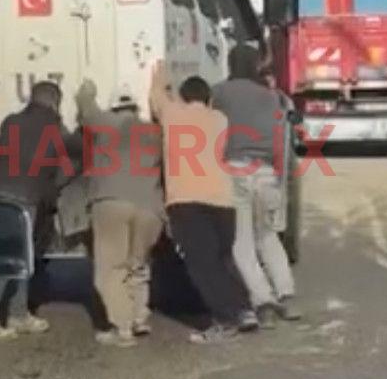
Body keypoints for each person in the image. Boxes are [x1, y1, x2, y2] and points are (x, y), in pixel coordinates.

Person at [149, 61, 256, 344]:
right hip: (223, 200)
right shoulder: (220, 119)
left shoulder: (172, 114)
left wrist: (161, 73)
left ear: (183, 98)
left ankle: (225, 321)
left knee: (203, 265)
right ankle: (244, 309)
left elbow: (157, 96)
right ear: (209, 100)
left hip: (187, 201)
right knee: (223, 259)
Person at [212, 44, 301, 329]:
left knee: (242, 243)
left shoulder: (220, 92)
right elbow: (282, 133)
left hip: (235, 170)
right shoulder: (272, 97)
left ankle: (264, 301)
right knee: (268, 237)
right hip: (267, 172)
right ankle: (286, 294)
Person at [0, 81, 75, 341]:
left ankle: (18, 312)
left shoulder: (10, 122)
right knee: (17, 258)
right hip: (26, 198)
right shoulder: (56, 129)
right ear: (55, 102)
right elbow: (67, 167)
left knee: (10, 255)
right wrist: (52, 188)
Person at [76, 79, 164, 348]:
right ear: (136, 108)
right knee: (138, 265)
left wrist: (87, 88)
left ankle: (122, 328)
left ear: (114, 108)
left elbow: (86, 107)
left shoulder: (104, 122)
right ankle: (139, 317)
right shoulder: (155, 132)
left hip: (111, 203)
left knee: (111, 268)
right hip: (150, 207)